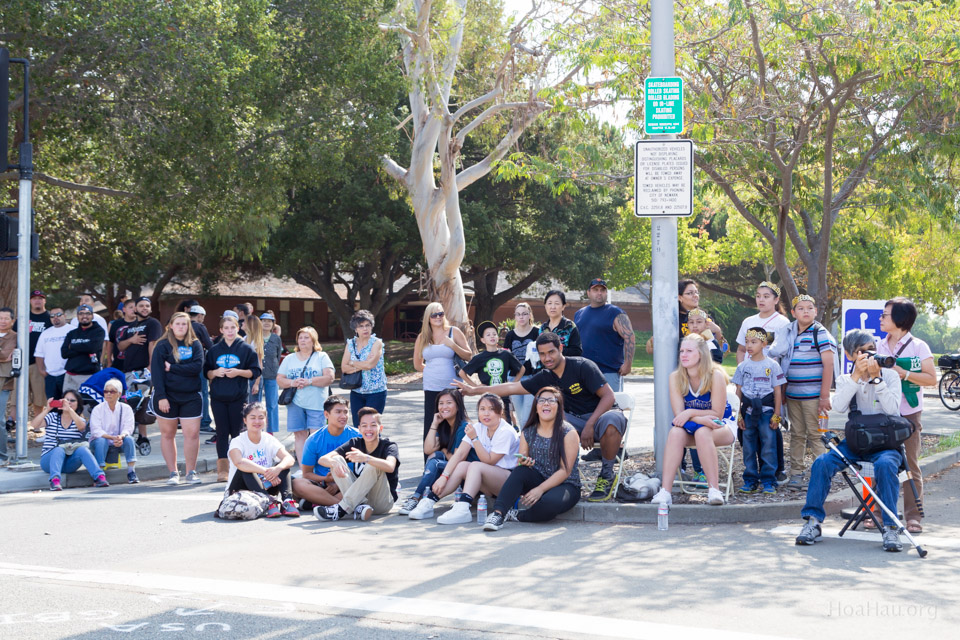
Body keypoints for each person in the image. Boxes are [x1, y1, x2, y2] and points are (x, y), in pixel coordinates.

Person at [456, 332, 627, 502]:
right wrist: (475, 390)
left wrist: (590, 425)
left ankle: (606, 475)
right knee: (549, 420)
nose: (547, 358)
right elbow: (510, 388)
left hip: (603, 414)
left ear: (560, 348)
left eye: (551, 352)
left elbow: (609, 397)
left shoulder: (582, 366)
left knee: (611, 422)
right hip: (574, 420)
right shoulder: (546, 377)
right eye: (542, 354)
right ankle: (552, 475)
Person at [795, 329, 904, 551]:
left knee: (885, 464)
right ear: (849, 355)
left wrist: (876, 379)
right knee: (822, 462)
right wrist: (857, 377)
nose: (868, 355)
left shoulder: (890, 375)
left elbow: (893, 410)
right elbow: (840, 406)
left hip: (885, 445)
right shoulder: (846, 379)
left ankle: (891, 528)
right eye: (862, 352)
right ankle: (812, 522)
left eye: (872, 350)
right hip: (855, 444)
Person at [651, 333, 737, 506]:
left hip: (721, 427)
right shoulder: (675, 377)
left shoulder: (715, 376)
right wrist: (700, 418)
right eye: (682, 351)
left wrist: (690, 412)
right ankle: (665, 492)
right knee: (675, 432)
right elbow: (679, 417)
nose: (683, 354)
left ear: (701, 354)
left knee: (703, 433)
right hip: (694, 426)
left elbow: (717, 415)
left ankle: (714, 490)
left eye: (689, 351)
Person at [483, 386, 581, 530]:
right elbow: (522, 459)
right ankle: (498, 514)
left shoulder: (568, 433)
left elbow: (565, 470)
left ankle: (517, 515)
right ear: (536, 407)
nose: (546, 403)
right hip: (539, 477)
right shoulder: (528, 432)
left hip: (566, 485)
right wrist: (524, 461)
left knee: (550, 503)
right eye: (541, 400)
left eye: (551, 400)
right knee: (520, 471)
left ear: (558, 407)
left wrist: (540, 489)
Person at [876, 297, 935, 535]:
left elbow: (931, 379)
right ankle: (880, 512)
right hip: (882, 413)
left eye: (885, 315)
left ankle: (913, 517)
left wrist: (905, 373)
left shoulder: (919, 346)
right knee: (881, 462)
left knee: (910, 464)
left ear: (900, 319)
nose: (880, 318)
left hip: (909, 414)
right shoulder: (878, 345)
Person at [768, 294, 838, 491]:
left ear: (816, 312)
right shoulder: (789, 334)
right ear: (793, 312)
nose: (805, 311)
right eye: (801, 308)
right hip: (793, 396)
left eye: (809, 308)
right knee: (797, 435)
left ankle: (820, 476)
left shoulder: (820, 333)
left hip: (814, 397)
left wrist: (824, 396)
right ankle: (796, 474)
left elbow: (829, 365)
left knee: (817, 436)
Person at [432, 394, 520, 525]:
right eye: (482, 409)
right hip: (490, 480)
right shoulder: (478, 427)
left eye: (491, 409)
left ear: (501, 412)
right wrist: (443, 477)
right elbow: (459, 454)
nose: (486, 413)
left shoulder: (506, 431)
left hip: (508, 481)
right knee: (462, 465)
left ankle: (463, 509)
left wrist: (475, 439)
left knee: (475, 465)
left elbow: (489, 461)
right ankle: (429, 500)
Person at [313, 408, 400, 522]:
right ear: (359, 429)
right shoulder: (355, 443)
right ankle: (360, 506)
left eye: (373, 425)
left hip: (382, 502)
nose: (368, 429)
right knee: (336, 459)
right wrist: (334, 463)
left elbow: (390, 466)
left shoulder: (389, 446)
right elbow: (322, 459)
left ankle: (341, 509)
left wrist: (366, 458)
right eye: (364, 425)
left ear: (380, 428)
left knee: (374, 465)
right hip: (360, 497)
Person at [404, 388, 478, 518]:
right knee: (434, 456)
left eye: (449, 403)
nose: (444, 407)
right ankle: (419, 497)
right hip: (454, 469)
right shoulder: (443, 424)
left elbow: (458, 459)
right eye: (441, 403)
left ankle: (416, 498)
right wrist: (434, 424)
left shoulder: (463, 426)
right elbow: (428, 450)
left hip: (469, 473)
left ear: (458, 405)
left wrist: (442, 449)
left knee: (436, 461)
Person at [205, 313, 261, 482]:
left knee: (237, 434)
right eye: (226, 328)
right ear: (221, 330)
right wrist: (215, 372)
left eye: (233, 327)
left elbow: (255, 371)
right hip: (218, 397)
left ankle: (239, 467)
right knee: (222, 433)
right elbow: (206, 372)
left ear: (238, 328)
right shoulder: (214, 350)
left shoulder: (246, 349)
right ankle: (222, 470)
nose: (229, 331)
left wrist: (238, 372)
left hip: (238, 397)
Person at [151, 312, 205, 486]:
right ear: (171, 326)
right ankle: (173, 473)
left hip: (191, 396)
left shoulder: (195, 344)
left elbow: (197, 367)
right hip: (168, 396)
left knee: (192, 434)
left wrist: (173, 367)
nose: (181, 327)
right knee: (168, 434)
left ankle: (191, 472)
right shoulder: (162, 346)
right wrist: (161, 397)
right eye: (178, 323)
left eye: (185, 324)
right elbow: (157, 374)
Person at [413, 302, 472, 455]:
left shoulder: (454, 331)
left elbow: (468, 355)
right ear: (428, 318)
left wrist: (453, 345)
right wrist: (433, 371)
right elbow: (418, 365)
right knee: (432, 424)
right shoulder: (422, 337)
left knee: (455, 424)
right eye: (434, 315)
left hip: (452, 386)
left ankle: (455, 459)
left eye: (441, 314)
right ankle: (431, 461)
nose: (438, 317)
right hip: (431, 387)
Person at [732, 328, 785, 494]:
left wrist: (777, 415)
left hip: (767, 411)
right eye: (747, 342)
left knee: (769, 444)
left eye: (753, 342)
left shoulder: (772, 365)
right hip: (747, 412)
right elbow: (738, 391)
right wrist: (738, 414)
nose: (749, 345)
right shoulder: (742, 367)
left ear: (764, 344)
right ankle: (750, 479)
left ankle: (769, 480)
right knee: (748, 445)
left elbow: (777, 391)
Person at [225, 401, 300, 517]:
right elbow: (239, 462)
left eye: (261, 418)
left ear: (265, 420)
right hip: (240, 489)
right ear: (245, 420)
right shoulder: (237, 441)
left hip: (265, 486)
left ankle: (287, 502)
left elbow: (289, 458)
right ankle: (269, 502)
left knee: (284, 465)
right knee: (246, 468)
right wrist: (266, 471)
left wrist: (277, 469)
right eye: (252, 418)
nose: (257, 421)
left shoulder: (268, 439)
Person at [277, 326, 335, 464]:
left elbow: (330, 377)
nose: (302, 340)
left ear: (313, 340)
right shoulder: (290, 358)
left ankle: (317, 466)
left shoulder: (322, 357)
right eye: (300, 337)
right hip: (295, 403)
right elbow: (280, 379)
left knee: (316, 436)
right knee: (299, 435)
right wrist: (292, 382)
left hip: (316, 403)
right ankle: (304, 469)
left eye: (306, 337)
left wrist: (310, 381)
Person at [292, 395, 361, 509]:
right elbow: (307, 473)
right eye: (338, 412)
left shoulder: (357, 436)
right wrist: (327, 479)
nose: (343, 416)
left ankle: (319, 501)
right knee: (296, 484)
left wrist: (338, 484)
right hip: (323, 484)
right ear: (326, 414)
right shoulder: (314, 439)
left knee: (363, 487)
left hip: (350, 483)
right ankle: (341, 505)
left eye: (345, 412)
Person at [35, 392, 109, 491]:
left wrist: (69, 410)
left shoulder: (80, 420)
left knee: (83, 449)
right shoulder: (52, 416)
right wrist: (47, 409)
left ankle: (99, 477)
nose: (68, 402)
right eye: (66, 400)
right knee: (59, 450)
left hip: (69, 463)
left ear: (78, 403)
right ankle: (55, 481)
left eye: (72, 400)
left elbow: (82, 427)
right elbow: (35, 425)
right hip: (49, 459)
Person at [574, 277, 634, 393]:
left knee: (611, 409)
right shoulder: (579, 314)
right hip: (584, 372)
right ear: (588, 293)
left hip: (608, 372)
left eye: (602, 290)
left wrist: (628, 363)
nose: (599, 293)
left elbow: (629, 337)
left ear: (606, 293)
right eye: (595, 290)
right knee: (587, 409)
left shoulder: (615, 313)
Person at [458, 320, 523, 421]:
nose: (492, 336)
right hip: (486, 397)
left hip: (503, 397)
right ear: (483, 340)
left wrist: (512, 385)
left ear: (497, 337)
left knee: (504, 426)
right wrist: (475, 387)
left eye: (494, 334)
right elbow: (462, 373)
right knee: (486, 425)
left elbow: (521, 369)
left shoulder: (505, 355)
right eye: (488, 335)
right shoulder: (479, 358)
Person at [341, 309, 388, 428]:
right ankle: (360, 448)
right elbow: (344, 367)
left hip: (376, 392)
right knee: (358, 427)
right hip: (356, 391)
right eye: (361, 326)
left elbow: (370, 365)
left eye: (368, 325)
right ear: (355, 329)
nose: (365, 329)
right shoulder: (350, 344)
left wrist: (352, 362)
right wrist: (361, 364)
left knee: (372, 426)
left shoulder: (376, 343)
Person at [89, 378, 139, 484]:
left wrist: (121, 436)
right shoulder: (98, 409)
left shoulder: (126, 408)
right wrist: (112, 438)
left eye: (112, 391)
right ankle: (100, 474)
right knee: (101, 441)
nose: (108, 394)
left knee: (129, 439)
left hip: (119, 439)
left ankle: (131, 472)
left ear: (119, 394)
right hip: (101, 441)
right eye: (106, 391)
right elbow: (96, 430)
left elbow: (129, 427)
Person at [503, 302, 539, 426]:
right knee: (519, 415)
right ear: (515, 317)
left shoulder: (536, 332)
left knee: (527, 416)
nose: (521, 317)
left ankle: (525, 443)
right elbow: (506, 357)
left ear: (530, 315)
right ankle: (525, 441)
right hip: (515, 378)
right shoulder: (510, 335)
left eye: (524, 314)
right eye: (518, 314)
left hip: (531, 378)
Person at [736, 282, 790, 362]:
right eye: (758, 296)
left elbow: (785, 353)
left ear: (776, 300)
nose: (761, 300)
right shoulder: (748, 322)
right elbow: (741, 350)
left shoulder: (782, 322)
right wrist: (741, 369)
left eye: (766, 296)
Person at [61, 304, 106, 393]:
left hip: (89, 375)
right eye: (81, 314)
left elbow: (93, 348)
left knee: (87, 405)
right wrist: (85, 347)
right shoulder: (72, 333)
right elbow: (64, 353)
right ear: (77, 316)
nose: (84, 316)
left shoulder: (99, 331)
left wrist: (73, 346)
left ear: (92, 316)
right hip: (70, 376)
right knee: (68, 404)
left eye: (87, 313)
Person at [188, 304, 215, 434]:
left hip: (183, 365)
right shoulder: (199, 326)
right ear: (199, 315)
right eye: (203, 317)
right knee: (203, 393)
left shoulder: (183, 325)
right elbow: (210, 346)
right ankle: (204, 422)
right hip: (198, 364)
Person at [35, 306, 71, 401]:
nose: (55, 317)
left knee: (68, 403)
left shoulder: (72, 330)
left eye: (58, 314)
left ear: (65, 316)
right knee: (53, 404)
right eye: (52, 316)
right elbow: (39, 354)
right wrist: (41, 370)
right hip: (50, 375)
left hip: (67, 374)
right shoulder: (45, 333)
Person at [258, 311, 283, 435]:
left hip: (272, 374)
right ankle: (256, 428)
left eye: (269, 321)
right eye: (264, 321)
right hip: (256, 375)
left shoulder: (276, 338)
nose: (267, 323)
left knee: (272, 404)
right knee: (256, 403)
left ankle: (271, 430)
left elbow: (278, 356)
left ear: (273, 324)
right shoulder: (255, 336)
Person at [539, 290, 581, 360]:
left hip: (565, 368)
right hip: (545, 369)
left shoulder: (570, 326)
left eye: (557, 303)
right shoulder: (542, 328)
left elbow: (577, 352)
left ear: (563, 306)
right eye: (549, 303)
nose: (553, 307)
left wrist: (556, 350)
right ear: (545, 306)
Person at [0, 309, 16, 465]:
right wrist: (4, 355)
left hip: (3, 383)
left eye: (6, 318)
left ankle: (2, 456)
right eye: (0, 318)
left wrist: (5, 355)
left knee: (0, 420)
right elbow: (4, 355)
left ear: (12, 321)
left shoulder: (15, 337)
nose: (3, 321)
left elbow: (7, 355)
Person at [105, 299, 137, 370]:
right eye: (130, 307)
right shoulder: (116, 324)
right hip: (118, 364)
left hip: (136, 365)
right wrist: (109, 361)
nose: (133, 310)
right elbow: (110, 343)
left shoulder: (141, 324)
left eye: (135, 308)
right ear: (124, 309)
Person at [244, 314, 265, 402]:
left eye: (245, 322)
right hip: (245, 376)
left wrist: (256, 383)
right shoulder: (244, 339)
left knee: (253, 407)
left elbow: (259, 364)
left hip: (254, 378)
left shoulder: (255, 342)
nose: (242, 323)